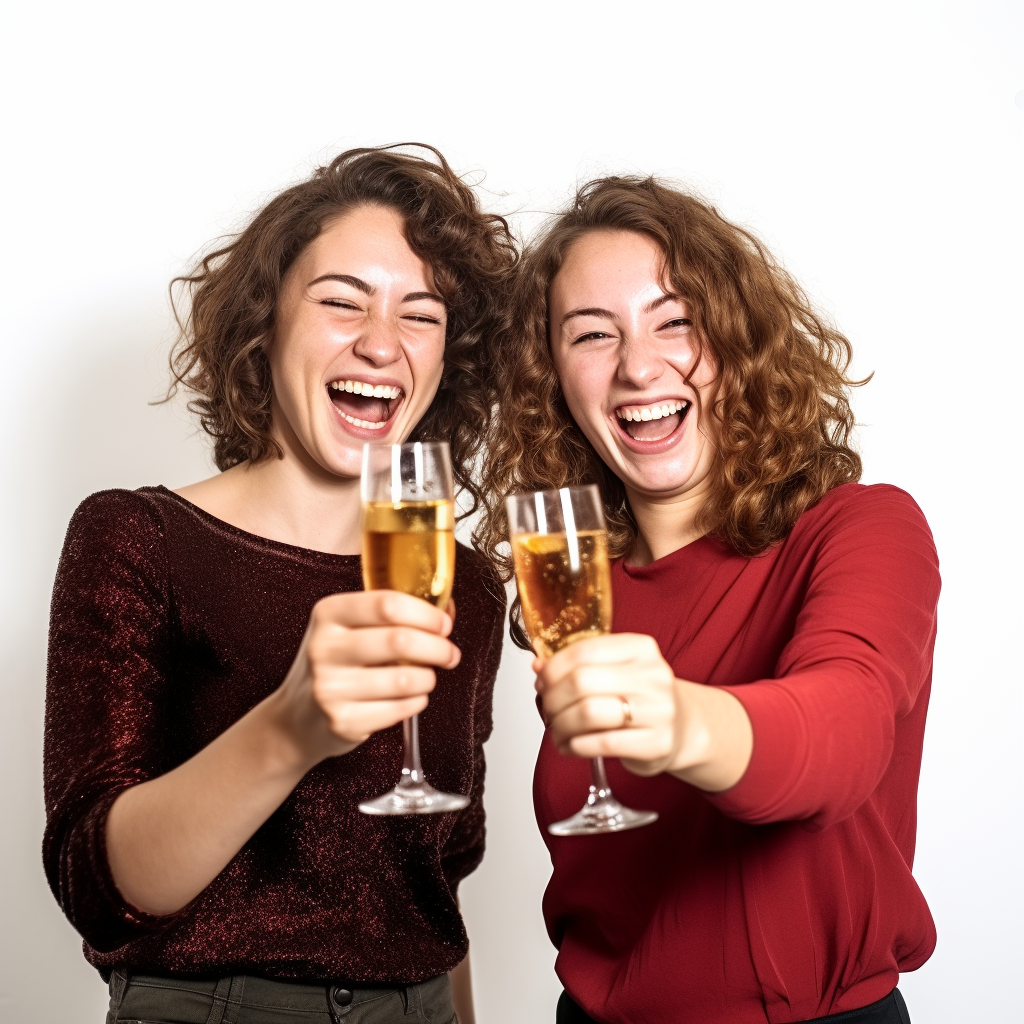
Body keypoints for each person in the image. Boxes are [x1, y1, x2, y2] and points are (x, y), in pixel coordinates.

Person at [43, 145, 515, 1024]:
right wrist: (292, 727)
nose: (381, 343)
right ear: (264, 326)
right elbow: (99, 887)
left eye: (421, 315)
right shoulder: (140, 539)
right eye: (341, 302)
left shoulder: (468, 587)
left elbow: (431, 898)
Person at [479, 176, 938, 1024]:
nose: (638, 365)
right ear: (554, 378)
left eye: (675, 322)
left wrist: (681, 721)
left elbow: (844, 729)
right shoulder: (575, 581)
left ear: (736, 339)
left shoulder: (862, 529)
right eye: (591, 334)